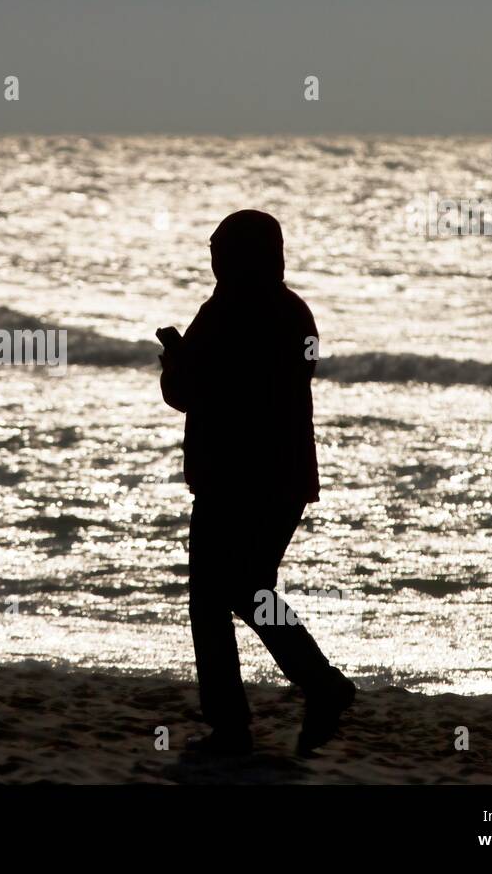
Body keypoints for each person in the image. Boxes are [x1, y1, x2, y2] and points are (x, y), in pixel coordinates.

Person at [158, 210, 355, 756]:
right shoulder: (294, 313)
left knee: (213, 597)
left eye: (222, 249)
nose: (214, 258)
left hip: (233, 479)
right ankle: (318, 685)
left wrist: (175, 363)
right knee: (249, 587)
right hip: (283, 479)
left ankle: (236, 715)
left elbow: (196, 392)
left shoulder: (226, 312)